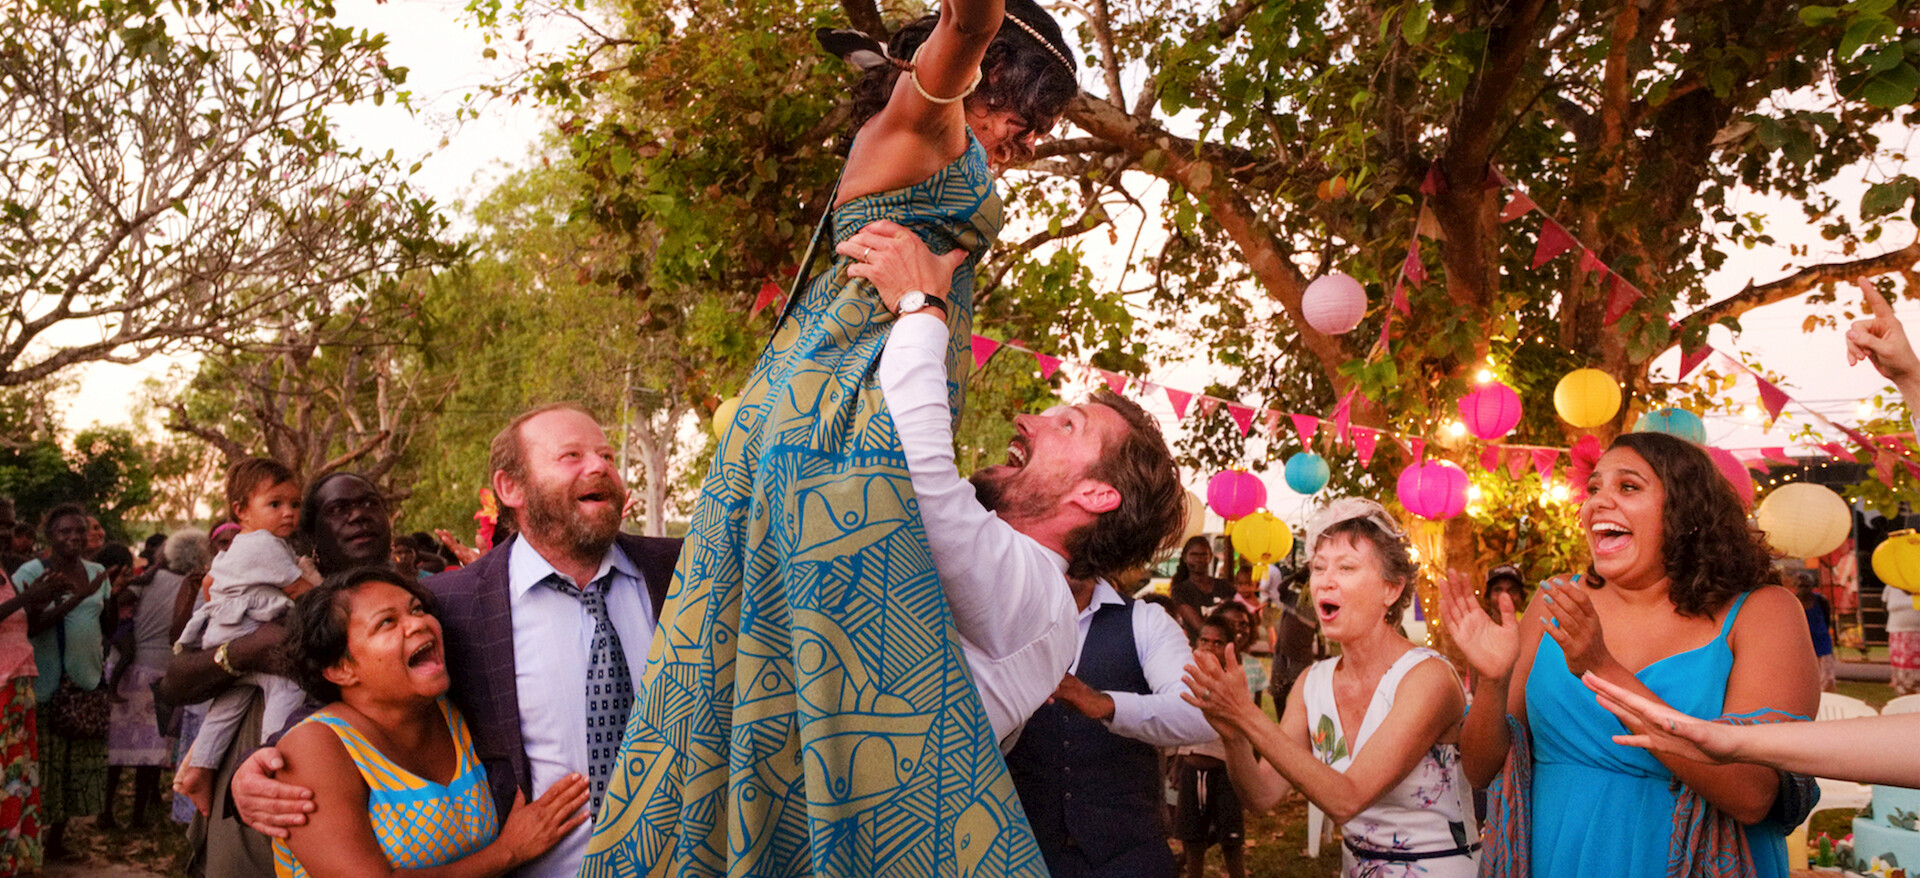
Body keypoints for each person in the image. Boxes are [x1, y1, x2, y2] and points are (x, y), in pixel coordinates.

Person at [579, 0, 1089, 873]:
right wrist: (970, 31)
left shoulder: (923, 141)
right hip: (835, 437)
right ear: (992, 72)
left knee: (788, 684)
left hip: (819, 419)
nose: (1032, 141)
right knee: (856, 688)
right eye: (1031, 114)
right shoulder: (923, 124)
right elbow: (967, 26)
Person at [234, 406, 683, 878]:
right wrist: (258, 767)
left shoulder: (689, 570)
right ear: (510, 487)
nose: (600, 467)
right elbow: (345, 696)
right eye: (571, 455)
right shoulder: (453, 604)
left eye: (607, 455)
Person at [1441, 432, 1820, 878]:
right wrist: (1492, 680)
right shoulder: (1556, 601)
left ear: (1688, 512)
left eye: (1628, 486)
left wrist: (1601, 669)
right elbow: (1480, 769)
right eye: (1594, 489)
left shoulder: (1764, 611)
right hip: (1558, 853)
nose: (1598, 502)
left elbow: (1752, 794)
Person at [1186, 498, 1478, 877]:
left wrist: (1247, 715)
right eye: (1319, 567)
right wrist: (1234, 735)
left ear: (1391, 589)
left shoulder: (1427, 678)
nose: (1325, 580)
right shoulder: (1313, 683)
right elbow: (1261, 795)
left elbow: (1347, 799)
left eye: (1346, 567)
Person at [271, 568, 588, 877]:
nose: (418, 623)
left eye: (417, 609)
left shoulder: (451, 713)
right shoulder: (314, 747)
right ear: (341, 669)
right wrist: (509, 851)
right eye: (386, 622)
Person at [160, 471, 397, 878]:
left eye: (369, 503)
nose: (358, 515)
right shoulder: (284, 589)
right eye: (338, 509)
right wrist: (246, 651)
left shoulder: (414, 600)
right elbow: (174, 681)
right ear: (311, 533)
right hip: (261, 800)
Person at [1004, 566, 1213, 878]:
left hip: (1128, 856)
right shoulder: (998, 621)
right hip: (1021, 854)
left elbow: (1199, 714)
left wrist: (1108, 705)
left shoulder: (1145, 620)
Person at [172, 459, 323, 816]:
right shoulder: (263, 544)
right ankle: (272, 757)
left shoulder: (245, 544)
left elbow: (212, 585)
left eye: (295, 504)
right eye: (275, 504)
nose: (288, 513)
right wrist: (333, 601)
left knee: (229, 703)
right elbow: (300, 590)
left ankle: (198, 770)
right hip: (247, 630)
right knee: (286, 687)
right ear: (241, 510)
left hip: (225, 630)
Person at [18, 504, 112, 862]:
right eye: (64, 531)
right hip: (46, 685)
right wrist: (79, 596)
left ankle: (56, 842)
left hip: (85, 683)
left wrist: (110, 595)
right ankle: (31, 844)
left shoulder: (97, 572)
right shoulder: (33, 572)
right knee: (45, 767)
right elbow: (29, 627)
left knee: (77, 768)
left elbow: (106, 622)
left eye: (79, 530)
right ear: (49, 536)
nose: (74, 537)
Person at [103, 528, 209, 831]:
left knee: (116, 750)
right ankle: (138, 816)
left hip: (127, 672)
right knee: (152, 753)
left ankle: (106, 812)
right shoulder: (198, 589)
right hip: (162, 674)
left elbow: (119, 602)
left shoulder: (148, 580)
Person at [0, 532, 64, 873]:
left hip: (18, 683)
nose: (6, 533)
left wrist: (37, 602)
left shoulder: (5, 569)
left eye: (9, 525)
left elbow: (21, 626)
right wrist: (27, 597)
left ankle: (13, 859)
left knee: (16, 777)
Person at [1171, 614, 1247, 878]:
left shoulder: (1234, 680)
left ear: (1228, 647)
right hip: (1192, 770)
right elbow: (1182, 726)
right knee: (1193, 841)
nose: (1210, 647)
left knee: (1231, 842)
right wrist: (1178, 763)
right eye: (1204, 640)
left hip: (1225, 772)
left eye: (1218, 642)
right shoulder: (1188, 677)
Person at [1169, 536, 1233, 636]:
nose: (1198, 559)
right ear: (1185, 558)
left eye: (1203, 554)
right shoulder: (1180, 591)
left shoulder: (1225, 586)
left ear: (1210, 557)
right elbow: (1199, 627)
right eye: (1194, 555)